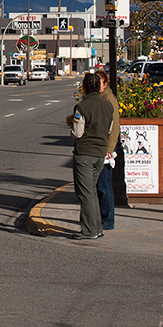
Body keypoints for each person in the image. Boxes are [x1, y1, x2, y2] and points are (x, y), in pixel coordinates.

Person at [66, 72, 113, 240]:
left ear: (84, 87)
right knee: (92, 192)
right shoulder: (108, 106)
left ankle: (89, 230)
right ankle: (97, 227)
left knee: (85, 194)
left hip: (85, 153)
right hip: (100, 154)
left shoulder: (82, 107)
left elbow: (78, 133)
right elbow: (109, 129)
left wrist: (71, 123)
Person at [95, 70, 121, 230]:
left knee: (104, 186)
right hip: (98, 145)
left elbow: (115, 126)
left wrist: (110, 148)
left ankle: (107, 221)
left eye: (99, 82)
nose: (97, 85)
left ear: (105, 84)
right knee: (98, 185)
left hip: (106, 147)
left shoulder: (109, 99)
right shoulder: (98, 98)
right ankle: (100, 217)